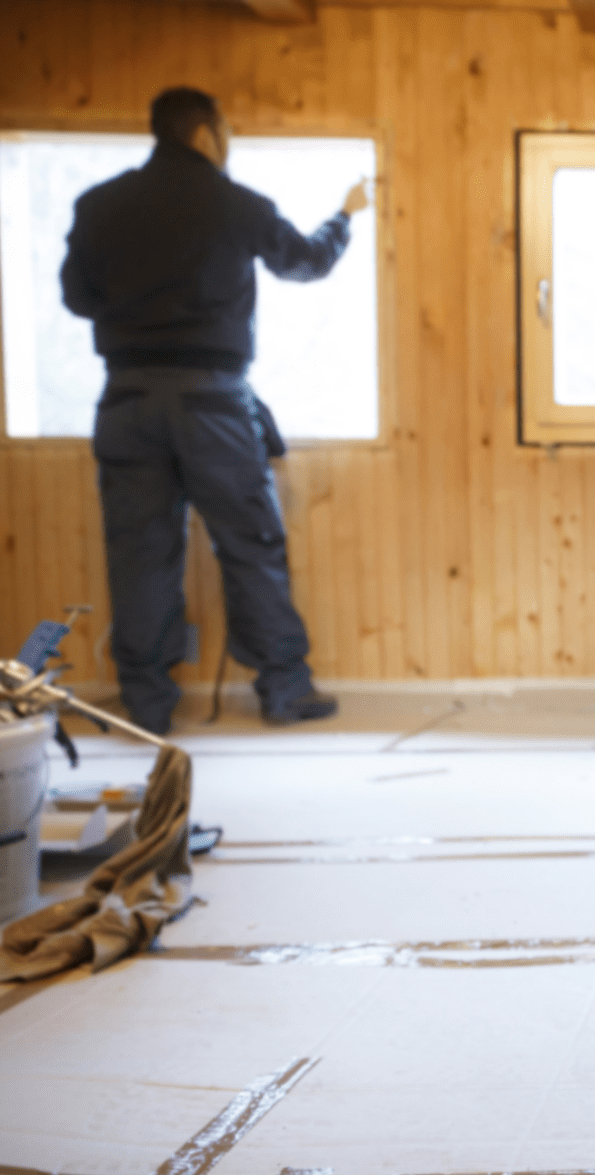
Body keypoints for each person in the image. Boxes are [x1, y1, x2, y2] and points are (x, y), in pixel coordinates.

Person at [60, 87, 370, 735]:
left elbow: (79, 301)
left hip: (128, 400)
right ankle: (284, 690)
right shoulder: (236, 204)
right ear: (205, 134)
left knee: (140, 554)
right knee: (252, 546)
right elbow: (306, 262)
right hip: (214, 403)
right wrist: (345, 216)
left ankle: (147, 708)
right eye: (225, 133)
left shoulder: (100, 206)